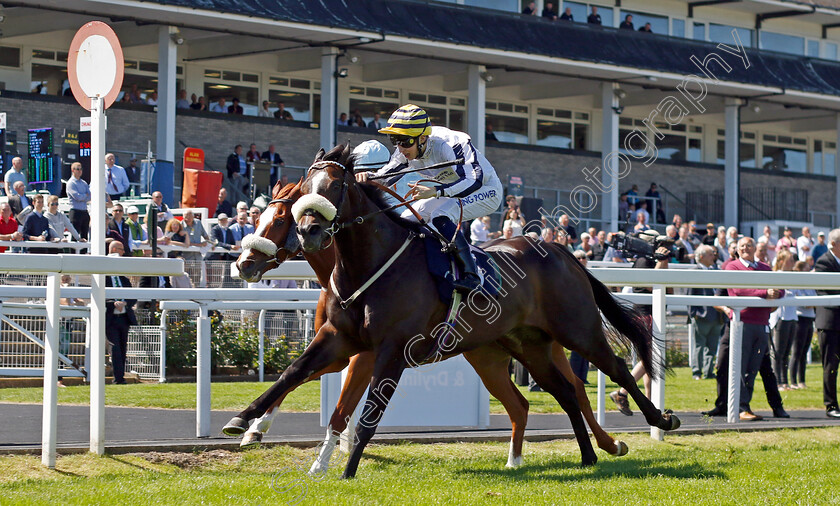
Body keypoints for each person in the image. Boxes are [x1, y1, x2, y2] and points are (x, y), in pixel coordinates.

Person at [357, 104, 503, 293]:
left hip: (484, 190)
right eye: (395, 140)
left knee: (440, 214)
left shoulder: (450, 143)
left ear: (423, 138)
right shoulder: (406, 148)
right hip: (449, 192)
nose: (400, 148)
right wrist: (367, 178)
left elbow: (474, 180)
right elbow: (386, 175)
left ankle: (471, 275)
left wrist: (437, 191)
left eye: (405, 141)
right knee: (408, 220)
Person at [609, 236, 671, 415]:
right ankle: (622, 392)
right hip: (645, 316)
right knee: (651, 359)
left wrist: (663, 261)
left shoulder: (650, 260)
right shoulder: (644, 260)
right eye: (662, 245)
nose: (664, 248)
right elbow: (654, 284)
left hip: (650, 314)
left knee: (649, 362)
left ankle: (652, 405)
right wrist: (661, 262)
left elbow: (666, 284)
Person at [725, 237, 785, 420]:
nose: (745, 248)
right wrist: (764, 293)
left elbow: (779, 288)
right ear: (737, 249)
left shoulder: (765, 268)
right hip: (742, 323)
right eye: (742, 245)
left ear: (754, 249)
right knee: (741, 367)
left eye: (748, 245)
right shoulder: (732, 266)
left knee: (753, 368)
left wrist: (774, 293)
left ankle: (745, 407)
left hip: (761, 324)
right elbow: (738, 290)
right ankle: (740, 407)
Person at [813, 228, 840, 418]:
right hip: (830, 323)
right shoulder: (824, 262)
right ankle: (831, 405)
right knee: (830, 366)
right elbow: (825, 292)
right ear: (834, 244)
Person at [689, 245, 726, 380]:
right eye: (711, 254)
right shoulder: (695, 271)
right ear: (702, 256)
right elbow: (690, 294)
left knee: (711, 346)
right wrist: (693, 314)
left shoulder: (716, 270)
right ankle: (697, 372)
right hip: (701, 315)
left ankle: (709, 372)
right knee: (699, 346)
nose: (714, 256)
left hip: (716, 315)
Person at [105, 240, 137, 385]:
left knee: (123, 348)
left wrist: (125, 303)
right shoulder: (103, 276)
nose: (124, 252)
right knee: (115, 348)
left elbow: (133, 296)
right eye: (121, 250)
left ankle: (120, 377)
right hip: (110, 319)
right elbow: (99, 295)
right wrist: (113, 304)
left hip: (124, 318)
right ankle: (118, 379)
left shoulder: (123, 278)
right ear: (113, 250)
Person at [769, 250, 797, 391]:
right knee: (778, 352)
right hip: (781, 316)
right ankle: (778, 382)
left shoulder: (793, 276)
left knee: (786, 352)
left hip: (792, 316)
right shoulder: (777, 275)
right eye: (790, 260)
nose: (793, 262)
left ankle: (784, 381)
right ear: (781, 261)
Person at [789, 260, 816, 390]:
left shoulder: (810, 285)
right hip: (800, 319)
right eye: (806, 268)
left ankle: (802, 380)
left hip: (810, 319)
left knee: (804, 351)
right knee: (797, 351)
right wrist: (811, 303)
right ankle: (793, 381)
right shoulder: (797, 284)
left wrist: (811, 302)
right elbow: (804, 303)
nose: (809, 270)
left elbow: (814, 300)